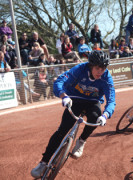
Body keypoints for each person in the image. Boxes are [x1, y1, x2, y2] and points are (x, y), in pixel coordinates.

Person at [30, 50, 116, 178]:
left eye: (103, 68)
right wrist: (63, 96)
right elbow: (59, 81)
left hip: (93, 102)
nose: (100, 71)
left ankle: (81, 141)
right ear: (91, 66)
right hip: (74, 99)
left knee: (95, 118)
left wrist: (106, 115)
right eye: (97, 68)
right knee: (62, 130)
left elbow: (111, 100)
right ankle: (43, 162)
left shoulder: (106, 77)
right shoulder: (79, 69)